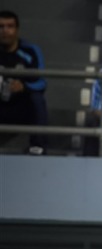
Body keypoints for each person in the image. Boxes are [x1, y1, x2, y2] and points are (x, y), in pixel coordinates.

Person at [0, 10, 49, 155]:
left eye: (10, 26)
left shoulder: (31, 50)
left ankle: (37, 148)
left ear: (17, 29)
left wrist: (24, 87)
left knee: (37, 99)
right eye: (1, 26)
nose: (5, 31)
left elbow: (42, 82)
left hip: (20, 105)